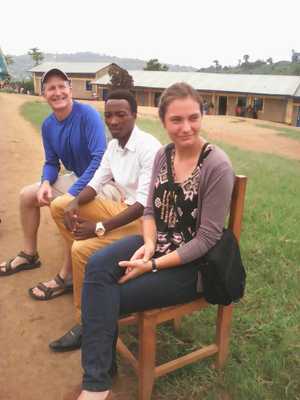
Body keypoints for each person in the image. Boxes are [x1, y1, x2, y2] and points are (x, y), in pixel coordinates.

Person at [74, 82, 235, 400]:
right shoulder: (164, 155)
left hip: (194, 265)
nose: (185, 127)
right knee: (97, 266)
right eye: (176, 120)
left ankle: (96, 383)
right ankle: (101, 374)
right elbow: (149, 210)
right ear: (163, 121)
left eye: (193, 117)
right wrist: (148, 243)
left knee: (113, 293)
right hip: (157, 243)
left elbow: (206, 239)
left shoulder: (217, 166)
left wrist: (151, 264)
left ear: (202, 115)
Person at [44, 90, 161, 352]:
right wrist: (74, 202)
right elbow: (96, 184)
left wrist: (99, 228)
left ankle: (86, 323)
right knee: (60, 204)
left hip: (145, 223)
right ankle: (93, 274)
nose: (114, 121)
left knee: (80, 248)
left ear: (134, 115)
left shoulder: (149, 148)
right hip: (120, 209)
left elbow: (143, 204)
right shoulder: (113, 146)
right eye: (109, 115)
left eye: (121, 114)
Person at [0, 68, 107, 296]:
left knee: (63, 207)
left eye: (61, 86)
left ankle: (67, 275)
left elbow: (99, 160)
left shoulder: (87, 115)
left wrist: (74, 194)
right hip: (79, 178)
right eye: (51, 88)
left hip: (102, 183)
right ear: (44, 94)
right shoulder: (48, 125)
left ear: (70, 90)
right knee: (27, 195)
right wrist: (46, 183)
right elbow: (51, 162)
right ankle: (30, 254)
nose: (57, 92)